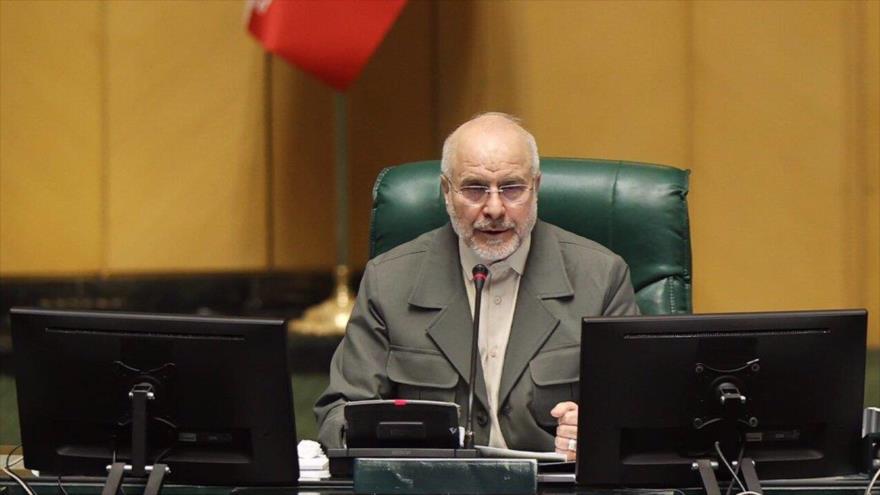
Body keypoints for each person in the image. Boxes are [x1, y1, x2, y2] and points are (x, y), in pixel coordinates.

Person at [315, 112, 640, 459]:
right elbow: (340, 411)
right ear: (446, 191)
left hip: (551, 482)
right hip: (433, 480)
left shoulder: (601, 277)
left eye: (512, 188)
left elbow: (641, 412)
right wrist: (377, 435)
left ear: (536, 187)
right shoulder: (389, 280)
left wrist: (597, 431)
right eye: (474, 189)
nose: (495, 208)